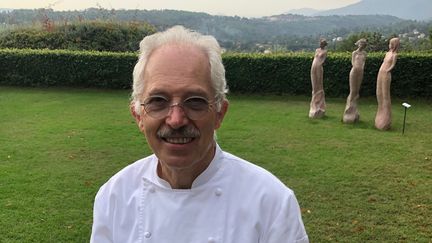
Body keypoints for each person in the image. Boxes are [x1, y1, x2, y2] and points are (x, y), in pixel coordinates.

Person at [90, 26, 309, 243]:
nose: (176, 120)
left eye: (195, 101)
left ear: (219, 114)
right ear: (138, 116)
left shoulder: (271, 203)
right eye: (158, 101)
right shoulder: (114, 197)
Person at [375, 37, 399, 130]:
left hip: (386, 74)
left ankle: (386, 116)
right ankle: (380, 113)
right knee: (379, 93)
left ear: (394, 44)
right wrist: (382, 70)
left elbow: (392, 65)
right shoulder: (387, 53)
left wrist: (387, 70)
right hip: (380, 72)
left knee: (385, 95)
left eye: (391, 43)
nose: (389, 45)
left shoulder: (394, 55)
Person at [343, 38, 367, 123]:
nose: (362, 45)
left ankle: (354, 110)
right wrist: (357, 69)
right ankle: (349, 110)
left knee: (357, 92)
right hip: (354, 72)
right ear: (358, 44)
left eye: (364, 44)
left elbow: (363, 63)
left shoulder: (364, 53)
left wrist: (361, 70)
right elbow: (353, 63)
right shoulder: (354, 53)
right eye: (361, 44)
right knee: (352, 91)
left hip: (360, 72)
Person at [309, 38, 328, 118]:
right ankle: (314, 105)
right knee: (314, 86)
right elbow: (314, 58)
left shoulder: (325, 51)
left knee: (319, 85)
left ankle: (319, 105)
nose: (321, 44)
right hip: (313, 67)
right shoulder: (317, 50)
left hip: (319, 67)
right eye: (320, 43)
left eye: (322, 43)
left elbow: (323, 60)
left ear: (324, 44)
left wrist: (318, 65)